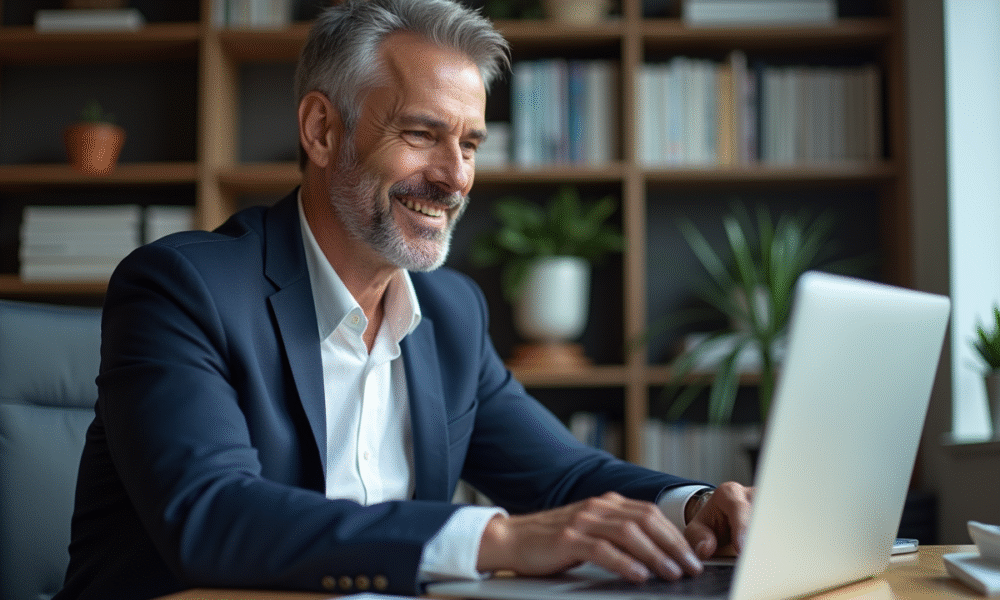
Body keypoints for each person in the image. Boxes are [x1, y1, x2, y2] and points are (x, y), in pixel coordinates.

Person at [55, 1, 752, 598]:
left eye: (470, 144)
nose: (454, 178)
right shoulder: (183, 288)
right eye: (422, 134)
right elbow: (209, 514)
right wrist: (495, 539)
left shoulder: (450, 313)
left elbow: (565, 473)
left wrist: (691, 504)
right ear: (323, 130)